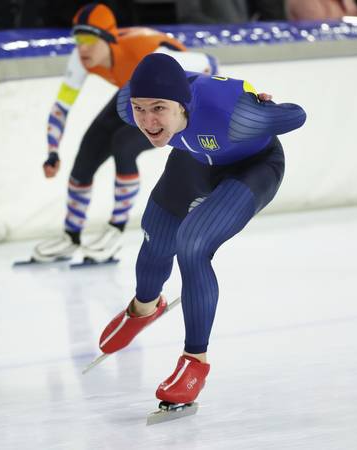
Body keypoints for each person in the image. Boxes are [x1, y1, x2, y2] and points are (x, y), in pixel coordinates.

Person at [96, 53, 306, 408]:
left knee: (192, 242)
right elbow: (148, 99)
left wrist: (264, 103)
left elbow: (297, 115)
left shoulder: (236, 116)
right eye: (140, 108)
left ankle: (195, 362)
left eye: (158, 108)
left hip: (251, 167)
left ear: (182, 104)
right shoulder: (126, 104)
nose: (147, 121)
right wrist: (150, 106)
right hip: (194, 159)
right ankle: (144, 308)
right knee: (156, 234)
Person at [32, 2, 218, 263]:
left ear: (107, 39)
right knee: (88, 150)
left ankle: (115, 231)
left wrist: (200, 110)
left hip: (169, 96)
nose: (82, 48)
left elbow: (208, 63)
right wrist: (52, 151)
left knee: (124, 144)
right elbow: (61, 107)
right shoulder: (81, 58)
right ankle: (71, 236)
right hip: (133, 92)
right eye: (78, 39)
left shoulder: (146, 52)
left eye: (89, 39)